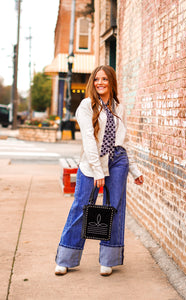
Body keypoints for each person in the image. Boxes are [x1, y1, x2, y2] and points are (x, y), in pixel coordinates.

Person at [55, 65, 144, 276]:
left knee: (114, 209)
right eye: (97, 79)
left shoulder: (118, 107)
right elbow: (88, 141)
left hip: (118, 161)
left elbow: (124, 142)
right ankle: (66, 258)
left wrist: (134, 170)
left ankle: (108, 259)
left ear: (111, 82)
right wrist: (98, 172)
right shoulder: (86, 106)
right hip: (92, 163)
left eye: (104, 79)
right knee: (82, 207)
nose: (100, 83)